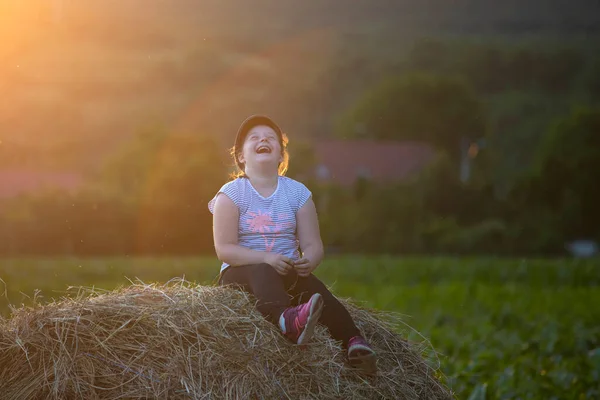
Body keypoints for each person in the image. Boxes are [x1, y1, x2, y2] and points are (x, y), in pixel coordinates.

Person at [208, 114, 377, 374]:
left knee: (315, 288)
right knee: (262, 270)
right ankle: (286, 320)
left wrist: (309, 259)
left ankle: (352, 341)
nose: (262, 139)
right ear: (241, 157)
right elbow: (225, 249)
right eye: (254, 138)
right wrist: (266, 258)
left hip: (286, 270)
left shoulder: (297, 193)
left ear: (280, 156)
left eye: (270, 138)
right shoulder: (230, 194)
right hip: (241, 274)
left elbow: (313, 244)